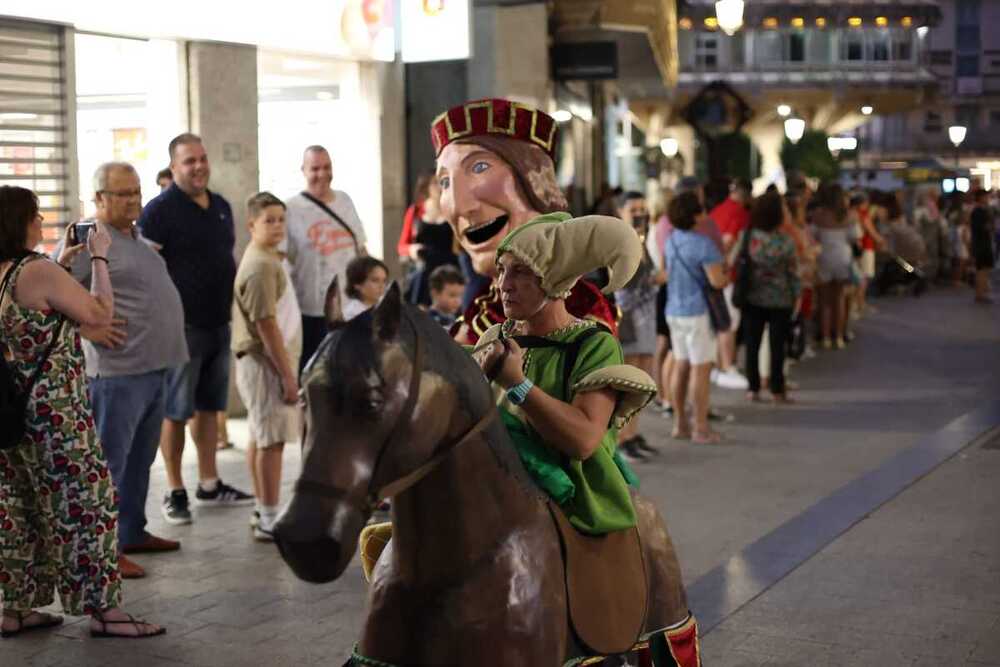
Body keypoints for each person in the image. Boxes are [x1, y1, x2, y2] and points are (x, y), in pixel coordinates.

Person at [0, 185, 164, 638]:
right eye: (34, 214)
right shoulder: (35, 269)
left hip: (13, 415)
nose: (41, 220)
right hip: (58, 417)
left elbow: (36, 312)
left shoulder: (11, 272)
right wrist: (98, 258)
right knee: (87, 508)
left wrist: (62, 263)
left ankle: (15, 610)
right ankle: (106, 613)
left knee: (22, 510)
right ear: (18, 222)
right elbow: (99, 315)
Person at [473, 214, 653, 535]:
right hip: (491, 485)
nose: (503, 285)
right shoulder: (494, 338)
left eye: (520, 271)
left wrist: (518, 384)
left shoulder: (593, 345)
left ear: (554, 279)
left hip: (568, 498)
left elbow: (583, 441)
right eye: (501, 271)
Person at [53, 163, 188, 579]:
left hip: (154, 368)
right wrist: (86, 327)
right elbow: (53, 294)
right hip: (117, 375)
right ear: (99, 199)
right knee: (109, 465)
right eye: (122, 194)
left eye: (136, 192)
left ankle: (131, 532)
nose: (134, 200)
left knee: (139, 461)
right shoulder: (87, 238)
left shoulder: (134, 237)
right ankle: (102, 552)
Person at [432, 99, 617, 345]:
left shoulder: (578, 305)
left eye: (479, 167)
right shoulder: (482, 305)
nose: (459, 206)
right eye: (445, 182)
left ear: (537, 181)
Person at [138, 132, 253, 525]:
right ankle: (174, 489)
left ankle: (209, 482)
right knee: (175, 411)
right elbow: (146, 274)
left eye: (202, 158)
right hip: (180, 329)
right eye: (189, 161)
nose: (199, 166)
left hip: (218, 323)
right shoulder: (158, 211)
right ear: (174, 167)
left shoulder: (220, 205)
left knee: (209, 408)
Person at [232, 192, 302, 541]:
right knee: (271, 441)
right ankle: (270, 518)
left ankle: (263, 507)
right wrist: (287, 376)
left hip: (265, 363)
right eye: (269, 220)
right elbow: (266, 326)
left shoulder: (269, 257)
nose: (277, 226)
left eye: (281, 219)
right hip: (265, 364)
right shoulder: (259, 266)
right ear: (251, 225)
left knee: (261, 437)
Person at [284, 145, 367, 373]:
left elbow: (360, 248)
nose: (322, 174)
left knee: (349, 373)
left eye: (327, 167)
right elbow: (281, 260)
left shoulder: (345, 201)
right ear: (303, 171)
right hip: (310, 311)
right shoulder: (291, 208)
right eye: (315, 168)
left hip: (349, 307)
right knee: (313, 374)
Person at [665, 191, 729, 444]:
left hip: (674, 309)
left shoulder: (671, 240)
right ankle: (700, 427)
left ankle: (679, 423)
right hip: (697, 312)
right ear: (695, 215)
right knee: (700, 370)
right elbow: (716, 281)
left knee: (681, 365)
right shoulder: (704, 244)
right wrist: (725, 276)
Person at [737, 192, 801, 403]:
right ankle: (777, 389)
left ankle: (753, 388)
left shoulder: (747, 237)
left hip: (752, 296)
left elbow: (734, 262)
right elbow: (793, 272)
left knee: (752, 344)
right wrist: (797, 295)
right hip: (780, 298)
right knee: (777, 346)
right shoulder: (786, 242)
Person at [613, 191, 662, 460]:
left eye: (644, 208)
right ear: (621, 211)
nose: (641, 214)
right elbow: (624, 284)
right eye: (635, 209)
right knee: (629, 380)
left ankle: (633, 433)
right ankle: (622, 438)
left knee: (642, 379)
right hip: (629, 316)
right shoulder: (619, 242)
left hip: (646, 316)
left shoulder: (641, 238)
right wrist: (653, 281)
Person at [707, 178, 751, 391]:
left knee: (718, 322)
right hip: (727, 275)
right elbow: (728, 240)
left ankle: (716, 365)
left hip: (711, 273)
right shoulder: (740, 213)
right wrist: (724, 266)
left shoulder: (717, 210)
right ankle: (727, 366)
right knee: (729, 322)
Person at [812, 183, 859, 350]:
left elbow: (813, 236)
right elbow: (855, 238)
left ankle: (825, 337)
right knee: (839, 298)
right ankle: (838, 336)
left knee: (824, 301)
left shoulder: (818, 215)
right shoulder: (850, 215)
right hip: (843, 258)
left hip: (824, 257)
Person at [407, 176, 457, 306]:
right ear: (427, 187)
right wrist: (411, 250)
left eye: (443, 182)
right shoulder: (416, 210)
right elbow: (402, 245)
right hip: (425, 263)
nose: (440, 186)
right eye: (435, 183)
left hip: (449, 263)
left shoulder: (453, 208)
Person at [970, 188, 996, 304]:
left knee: (985, 269)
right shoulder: (977, 211)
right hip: (981, 244)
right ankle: (979, 295)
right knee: (981, 269)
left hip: (985, 243)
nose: (987, 198)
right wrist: (990, 226)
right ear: (980, 198)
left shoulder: (984, 210)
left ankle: (982, 293)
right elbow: (981, 228)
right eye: (985, 196)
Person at [343, 256, 389, 320]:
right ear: (357, 284)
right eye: (375, 280)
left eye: (384, 281)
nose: (381, 286)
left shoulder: (385, 308)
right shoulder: (353, 314)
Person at [427, 264, 466, 329]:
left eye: (461, 296)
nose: (458, 301)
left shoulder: (454, 318)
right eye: (452, 295)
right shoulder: (429, 322)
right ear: (435, 293)